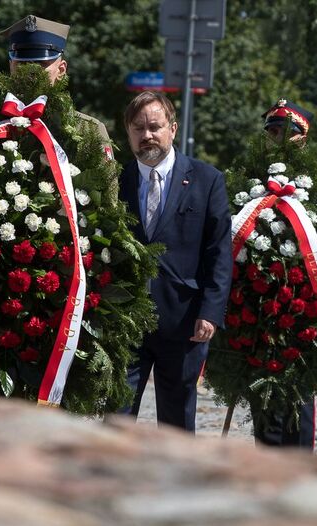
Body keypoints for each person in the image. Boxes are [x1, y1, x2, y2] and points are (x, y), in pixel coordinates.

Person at [119, 91, 232, 431]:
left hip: (183, 322)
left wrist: (210, 312)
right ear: (128, 133)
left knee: (177, 426)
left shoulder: (207, 180)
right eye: (138, 128)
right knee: (116, 418)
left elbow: (218, 251)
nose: (147, 135)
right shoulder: (115, 180)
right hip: (124, 322)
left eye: (154, 126)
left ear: (173, 128)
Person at [250, 99, 317, 449]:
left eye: (286, 133)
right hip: (259, 303)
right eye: (273, 131)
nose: (278, 138)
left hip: (303, 305)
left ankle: (301, 467)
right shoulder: (251, 182)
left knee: (300, 393)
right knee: (262, 398)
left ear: (302, 138)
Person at [0, 15, 112, 156]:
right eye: (22, 64)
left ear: (61, 70)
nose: (30, 71)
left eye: (41, 64)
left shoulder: (88, 130)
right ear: (11, 67)